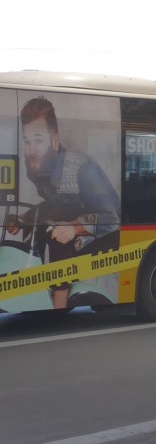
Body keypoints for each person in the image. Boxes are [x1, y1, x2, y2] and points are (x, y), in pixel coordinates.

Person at [5, 96, 121, 308]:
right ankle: (39, 293)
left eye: (38, 140)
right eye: (27, 141)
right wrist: (24, 218)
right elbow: (56, 205)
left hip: (110, 235)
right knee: (44, 229)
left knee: (59, 238)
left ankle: (58, 308)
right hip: (79, 229)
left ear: (55, 141)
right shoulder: (42, 169)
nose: (31, 151)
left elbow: (112, 218)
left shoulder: (82, 170)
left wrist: (74, 228)